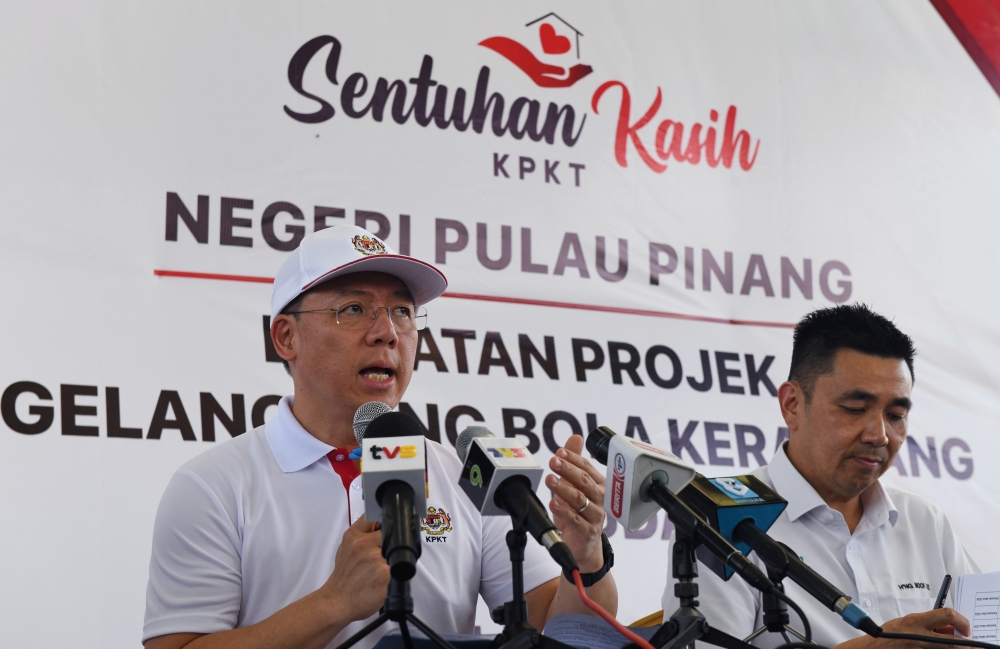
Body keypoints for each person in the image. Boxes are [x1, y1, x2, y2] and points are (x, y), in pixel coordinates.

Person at [143, 224, 617, 649]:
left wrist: (586, 554)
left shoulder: (464, 477)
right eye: (354, 309)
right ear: (286, 337)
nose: (387, 333)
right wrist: (332, 603)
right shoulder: (214, 485)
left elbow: (564, 632)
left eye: (402, 313)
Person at [661, 304, 978, 649]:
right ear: (793, 404)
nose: (879, 435)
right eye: (855, 409)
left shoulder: (926, 524)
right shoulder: (719, 520)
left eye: (896, 414)